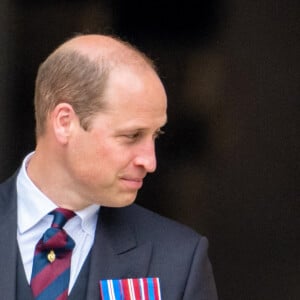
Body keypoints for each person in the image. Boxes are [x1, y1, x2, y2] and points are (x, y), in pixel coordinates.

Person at [0, 34, 218, 299]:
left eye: (155, 135)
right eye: (131, 135)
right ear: (64, 122)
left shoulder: (178, 260)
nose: (150, 162)